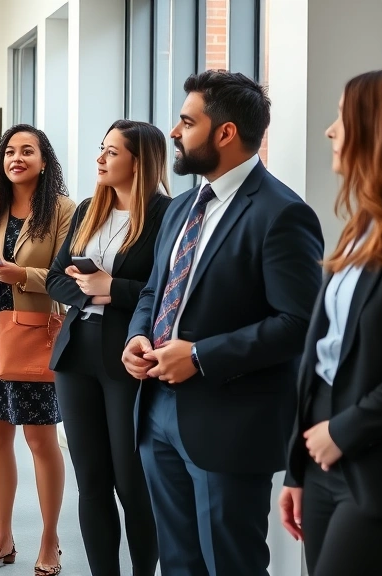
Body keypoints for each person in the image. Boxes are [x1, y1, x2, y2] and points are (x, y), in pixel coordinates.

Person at [122, 70, 324, 576]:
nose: (173, 132)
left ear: (225, 133)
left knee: (230, 564)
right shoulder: (182, 208)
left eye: (187, 122)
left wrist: (198, 356)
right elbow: (154, 290)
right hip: (156, 413)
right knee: (179, 563)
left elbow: (298, 323)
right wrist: (138, 335)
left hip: (229, 422)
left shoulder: (282, 213)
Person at [278, 68, 382, 576]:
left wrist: (344, 430)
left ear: (378, 128)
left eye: (343, 117)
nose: (330, 130)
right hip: (326, 458)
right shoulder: (364, 225)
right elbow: (324, 354)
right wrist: (297, 468)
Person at [47, 120, 170, 576]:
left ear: (140, 161)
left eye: (112, 152)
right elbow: (58, 278)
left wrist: (111, 287)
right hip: (76, 352)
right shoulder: (86, 211)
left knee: (132, 483)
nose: (100, 159)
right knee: (91, 482)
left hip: (127, 356)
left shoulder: (166, 215)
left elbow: (167, 290)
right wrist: (93, 292)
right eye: (102, 149)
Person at [0, 124, 75, 576]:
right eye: (10, 151)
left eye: (28, 151)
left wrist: (19, 275)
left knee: (40, 438)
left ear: (44, 161)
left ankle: (49, 539)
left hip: (33, 335)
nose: (17, 158)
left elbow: (66, 278)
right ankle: (3, 538)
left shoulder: (64, 210)